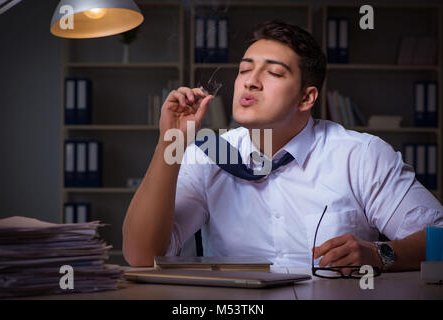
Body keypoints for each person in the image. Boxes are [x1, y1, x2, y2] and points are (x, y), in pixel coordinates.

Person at [122, 20, 443, 271]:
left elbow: (439, 239)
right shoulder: (207, 156)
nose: (251, 80)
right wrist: (171, 142)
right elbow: (141, 255)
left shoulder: (359, 155)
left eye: (274, 72)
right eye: (245, 69)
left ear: (307, 97)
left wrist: (379, 254)